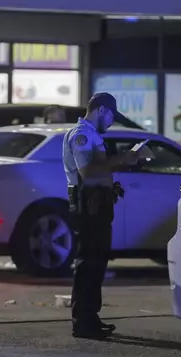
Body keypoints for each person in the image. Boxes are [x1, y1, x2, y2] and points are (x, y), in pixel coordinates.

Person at [62, 92, 139, 339]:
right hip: (89, 207)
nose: (111, 121)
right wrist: (122, 159)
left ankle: (90, 318)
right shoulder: (81, 135)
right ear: (101, 110)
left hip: (98, 205)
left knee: (97, 263)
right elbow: (88, 171)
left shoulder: (92, 135)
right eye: (111, 116)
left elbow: (99, 171)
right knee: (88, 263)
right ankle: (82, 322)